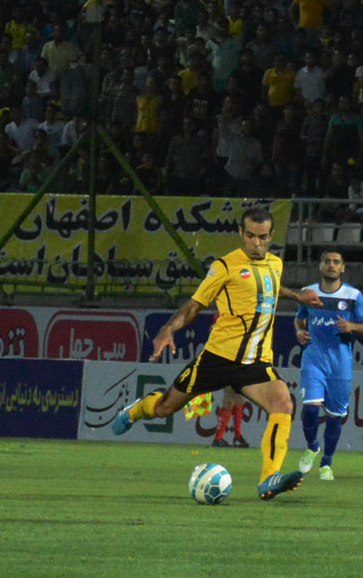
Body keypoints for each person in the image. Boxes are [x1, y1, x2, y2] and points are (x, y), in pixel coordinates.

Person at [111, 207, 322, 501]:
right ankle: (136, 410)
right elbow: (195, 305)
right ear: (241, 233)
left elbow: (271, 289)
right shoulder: (224, 266)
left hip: (255, 363)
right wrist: (168, 328)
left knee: (283, 403)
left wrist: (297, 296)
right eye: (250, 236)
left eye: (262, 237)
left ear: (271, 236)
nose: (256, 243)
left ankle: (268, 479)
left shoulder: (275, 263)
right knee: (164, 409)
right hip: (217, 358)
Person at [294, 250, 363, 481]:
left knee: (334, 417)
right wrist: (299, 331)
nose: (331, 265)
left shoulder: (353, 295)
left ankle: (326, 463)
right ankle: (312, 446)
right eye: (327, 261)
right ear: (320, 266)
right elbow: (299, 319)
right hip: (313, 359)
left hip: (340, 365)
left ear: (343, 268)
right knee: (310, 408)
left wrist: (352, 327)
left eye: (336, 262)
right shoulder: (308, 294)